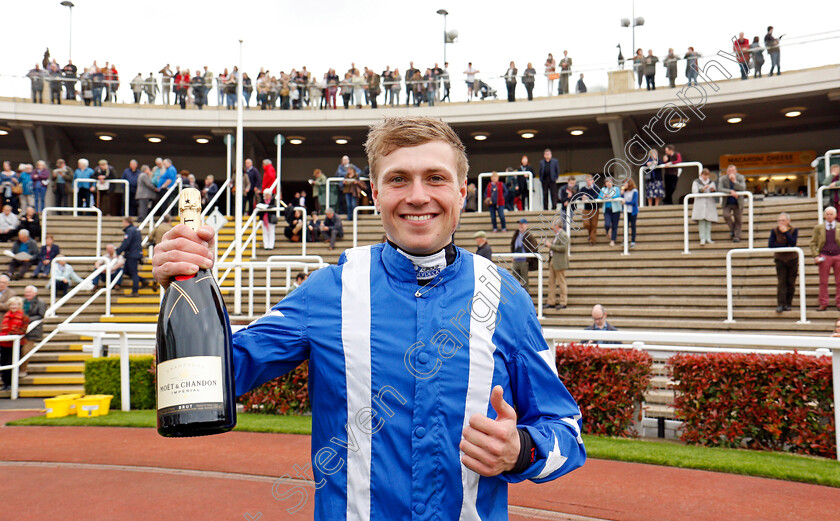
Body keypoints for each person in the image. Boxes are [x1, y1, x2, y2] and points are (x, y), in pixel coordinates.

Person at [152, 117, 585, 519]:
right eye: (398, 179)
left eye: (436, 178)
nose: (418, 196)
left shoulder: (505, 295)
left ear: (462, 192)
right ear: (375, 194)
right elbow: (212, 376)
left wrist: (522, 450)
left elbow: (566, 430)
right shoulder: (327, 292)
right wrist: (178, 285)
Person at [768, 213, 798, 313]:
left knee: (791, 282)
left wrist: (786, 233)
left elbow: (793, 243)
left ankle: (788, 303)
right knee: (781, 282)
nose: (780, 223)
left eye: (783, 220)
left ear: (788, 221)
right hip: (780, 259)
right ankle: (781, 303)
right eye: (779, 220)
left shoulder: (794, 230)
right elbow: (771, 245)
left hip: (792, 259)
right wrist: (784, 245)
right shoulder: (774, 231)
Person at [811, 206, 840, 312]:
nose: (829, 216)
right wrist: (816, 255)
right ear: (824, 215)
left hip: (838, 255)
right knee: (823, 281)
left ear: (835, 215)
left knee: (839, 281)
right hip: (824, 256)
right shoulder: (818, 228)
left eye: (831, 214)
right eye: (827, 214)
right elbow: (813, 243)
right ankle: (823, 303)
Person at [0, 297, 29, 388]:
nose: (13, 307)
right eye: (11, 305)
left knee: (11, 363)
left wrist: (10, 334)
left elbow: (23, 330)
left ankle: (12, 384)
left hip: (15, 343)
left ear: (19, 305)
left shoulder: (24, 317)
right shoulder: (6, 315)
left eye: (15, 305)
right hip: (4, 343)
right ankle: (6, 383)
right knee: (3, 363)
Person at [116, 217, 147, 297]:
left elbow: (126, 243)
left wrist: (118, 252)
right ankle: (143, 280)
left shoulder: (130, 230)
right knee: (126, 271)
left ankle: (135, 291)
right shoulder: (136, 229)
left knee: (133, 273)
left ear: (126, 222)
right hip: (135, 253)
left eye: (123, 222)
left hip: (132, 254)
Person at [718, 165, 746, 243]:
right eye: (729, 171)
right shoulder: (723, 179)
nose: (731, 172)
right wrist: (730, 191)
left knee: (738, 219)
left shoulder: (740, 177)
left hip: (738, 202)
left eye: (733, 170)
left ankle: (737, 236)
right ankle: (733, 229)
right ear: (727, 172)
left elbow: (743, 188)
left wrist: (735, 182)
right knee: (726, 215)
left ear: (736, 171)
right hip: (727, 202)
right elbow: (720, 188)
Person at [510, 218, 538, 294]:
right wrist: (512, 255)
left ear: (526, 225)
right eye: (520, 224)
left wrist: (527, 259)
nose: (521, 225)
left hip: (524, 261)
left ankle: (526, 296)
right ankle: (515, 295)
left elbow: (534, 248)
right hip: (516, 260)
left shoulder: (529, 236)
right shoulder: (516, 234)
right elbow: (512, 245)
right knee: (514, 280)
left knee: (524, 280)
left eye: (522, 224)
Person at [545, 221, 569, 310]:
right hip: (553, 261)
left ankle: (563, 301)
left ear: (556, 226)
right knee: (551, 282)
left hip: (559, 262)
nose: (552, 227)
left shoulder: (563, 235)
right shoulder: (558, 235)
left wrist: (550, 245)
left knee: (561, 282)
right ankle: (551, 301)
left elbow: (563, 248)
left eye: (553, 225)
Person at [691, 169, 719, 246]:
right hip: (700, 203)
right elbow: (694, 191)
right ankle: (702, 238)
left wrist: (712, 190)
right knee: (702, 222)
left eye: (707, 175)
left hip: (709, 203)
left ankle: (708, 238)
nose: (706, 177)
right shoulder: (696, 182)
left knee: (708, 222)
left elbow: (714, 192)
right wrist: (702, 189)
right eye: (704, 175)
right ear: (701, 175)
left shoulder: (711, 182)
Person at [22, 286, 46, 363]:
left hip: (32, 330)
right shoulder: (22, 301)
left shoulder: (41, 303)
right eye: (26, 292)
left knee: (25, 351)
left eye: (29, 292)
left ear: (35, 293)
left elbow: (41, 315)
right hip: (21, 329)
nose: (27, 294)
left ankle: (23, 370)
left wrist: (27, 319)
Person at [578, 175, 600, 246]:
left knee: (594, 225)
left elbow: (596, 196)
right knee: (586, 224)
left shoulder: (596, 188)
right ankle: (591, 234)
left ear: (593, 180)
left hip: (594, 209)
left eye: (589, 180)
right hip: (586, 209)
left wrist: (588, 197)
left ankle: (592, 240)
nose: (588, 182)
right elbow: (578, 196)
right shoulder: (583, 188)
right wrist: (582, 197)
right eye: (587, 180)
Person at [599, 179, 621, 247]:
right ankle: (607, 231)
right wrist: (603, 197)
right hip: (607, 209)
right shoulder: (603, 189)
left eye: (610, 182)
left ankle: (612, 240)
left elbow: (617, 195)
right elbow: (599, 197)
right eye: (607, 182)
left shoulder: (616, 188)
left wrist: (610, 196)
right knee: (607, 224)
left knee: (614, 225)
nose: (608, 183)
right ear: (605, 183)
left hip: (616, 209)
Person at [621, 179, 639, 248]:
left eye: (625, 183)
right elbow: (622, 200)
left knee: (633, 226)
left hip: (633, 211)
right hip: (626, 211)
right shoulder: (624, 192)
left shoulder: (634, 191)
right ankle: (625, 240)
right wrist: (622, 194)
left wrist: (626, 202)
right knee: (626, 226)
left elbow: (634, 201)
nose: (624, 185)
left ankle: (633, 240)